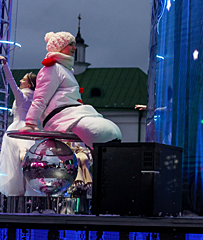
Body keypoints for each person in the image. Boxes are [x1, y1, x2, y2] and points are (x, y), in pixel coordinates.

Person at [20, 31, 122, 149]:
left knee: (114, 131)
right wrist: (31, 123)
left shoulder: (65, 70)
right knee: (105, 132)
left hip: (72, 113)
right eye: (70, 44)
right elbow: (41, 97)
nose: (74, 47)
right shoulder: (52, 68)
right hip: (62, 116)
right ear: (60, 47)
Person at [0, 56, 39, 196]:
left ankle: (22, 190)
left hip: (18, 129)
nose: (20, 80)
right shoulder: (35, 98)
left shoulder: (22, 97)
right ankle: (26, 188)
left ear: (28, 85)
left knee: (16, 163)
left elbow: (11, 83)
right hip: (29, 128)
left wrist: (5, 65)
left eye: (23, 79)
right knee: (22, 160)